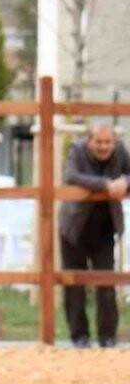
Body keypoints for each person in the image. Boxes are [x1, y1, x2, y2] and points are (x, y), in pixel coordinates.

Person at [59, 123, 130, 348]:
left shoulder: (120, 152)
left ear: (114, 141)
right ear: (89, 141)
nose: (104, 147)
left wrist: (125, 182)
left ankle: (107, 337)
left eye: (108, 142)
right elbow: (71, 176)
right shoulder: (77, 151)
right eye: (99, 142)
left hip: (104, 229)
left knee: (106, 284)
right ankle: (79, 336)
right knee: (74, 285)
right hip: (74, 228)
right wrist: (106, 185)